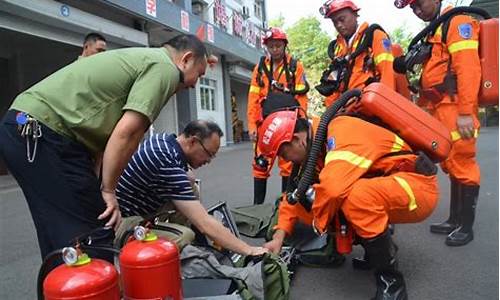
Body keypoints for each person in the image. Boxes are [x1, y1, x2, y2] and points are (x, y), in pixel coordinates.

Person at [0, 34, 212, 264]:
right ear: (186, 59)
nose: (194, 85)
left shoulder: (142, 60)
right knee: (93, 236)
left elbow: (106, 137)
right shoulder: (164, 68)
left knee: (60, 235)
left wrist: (99, 183)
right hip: (42, 134)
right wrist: (109, 191)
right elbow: (128, 133)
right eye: (199, 75)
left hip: (26, 128)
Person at [259, 109, 439, 299]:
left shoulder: (340, 131)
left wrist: (320, 224)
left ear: (297, 139)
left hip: (417, 187)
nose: (285, 160)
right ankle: (377, 253)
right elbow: (293, 198)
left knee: (353, 198)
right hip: (390, 185)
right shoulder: (316, 147)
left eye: (283, 153)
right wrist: (279, 237)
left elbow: (333, 189)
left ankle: (392, 285)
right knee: (326, 200)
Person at [394, 0, 481, 246]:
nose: (417, 10)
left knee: (463, 163)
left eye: (419, 4)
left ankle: (466, 227)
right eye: (413, 8)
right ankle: (455, 220)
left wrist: (465, 112)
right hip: (439, 107)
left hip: (455, 107)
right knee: (451, 164)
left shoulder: (456, 22)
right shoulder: (435, 30)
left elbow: (468, 68)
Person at [116, 120, 268, 257]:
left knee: (191, 187)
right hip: (125, 224)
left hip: (141, 207)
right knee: (185, 236)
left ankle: (176, 235)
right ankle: (178, 258)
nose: (209, 161)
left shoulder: (163, 141)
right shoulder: (165, 162)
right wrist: (249, 250)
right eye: (209, 154)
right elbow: (204, 223)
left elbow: (182, 176)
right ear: (193, 141)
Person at [247, 27, 309, 205]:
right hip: (264, 124)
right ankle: (257, 207)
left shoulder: (295, 66)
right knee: (260, 164)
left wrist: (301, 125)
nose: (275, 50)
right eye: (271, 46)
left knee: (288, 165)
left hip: (287, 126)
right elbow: (253, 99)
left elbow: (302, 97)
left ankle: (285, 206)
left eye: (278, 46)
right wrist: (252, 126)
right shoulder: (260, 68)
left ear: (284, 46)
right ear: (266, 47)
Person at [317, 0, 395, 106]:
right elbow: (335, 85)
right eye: (335, 22)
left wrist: (385, 106)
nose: (339, 25)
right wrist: (330, 111)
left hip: (369, 107)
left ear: (355, 14)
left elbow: (387, 75)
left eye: (342, 19)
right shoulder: (338, 48)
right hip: (345, 109)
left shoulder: (374, 36)